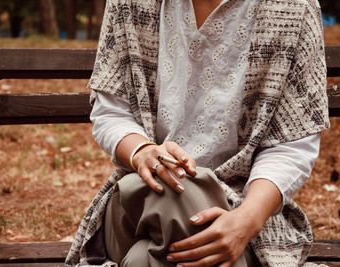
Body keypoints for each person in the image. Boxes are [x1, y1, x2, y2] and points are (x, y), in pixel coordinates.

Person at [65, 0, 329, 266]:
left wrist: (245, 221)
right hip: (138, 204)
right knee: (177, 188)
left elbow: (290, 146)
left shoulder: (293, 8)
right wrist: (143, 152)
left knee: (140, 260)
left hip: (241, 209)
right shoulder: (130, 3)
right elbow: (112, 112)